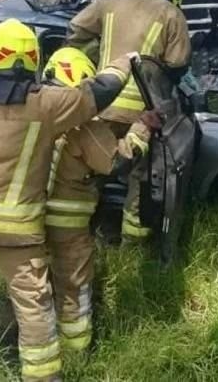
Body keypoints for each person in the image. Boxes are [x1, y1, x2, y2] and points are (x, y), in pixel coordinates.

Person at [0, 18, 136, 382]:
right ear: (30, 61)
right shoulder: (46, 106)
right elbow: (96, 94)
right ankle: (42, 376)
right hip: (18, 230)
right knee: (34, 307)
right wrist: (126, 62)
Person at [42, 47, 159, 352]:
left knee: (34, 284)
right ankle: (77, 347)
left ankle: (33, 336)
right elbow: (118, 163)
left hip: (28, 219)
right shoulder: (86, 128)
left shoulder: (30, 116)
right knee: (73, 285)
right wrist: (142, 128)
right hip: (67, 227)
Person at [66, 0, 191, 241]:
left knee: (92, 171)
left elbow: (74, 31)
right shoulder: (172, 13)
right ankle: (132, 243)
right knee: (139, 177)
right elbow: (178, 64)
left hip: (102, 103)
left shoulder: (108, 3)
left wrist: (91, 59)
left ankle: (81, 232)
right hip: (143, 111)